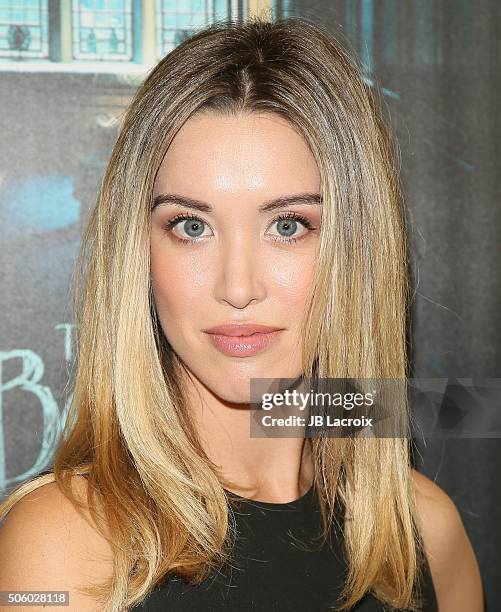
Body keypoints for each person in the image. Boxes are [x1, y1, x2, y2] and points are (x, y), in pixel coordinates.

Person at [0, 16, 483, 612]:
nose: (236, 286)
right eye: (191, 226)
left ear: (357, 250)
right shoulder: (65, 547)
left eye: (287, 226)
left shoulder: (429, 533)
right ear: (139, 254)